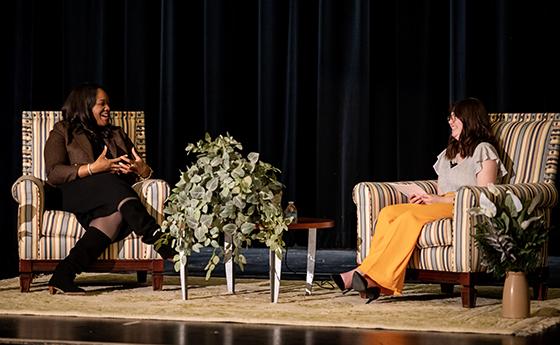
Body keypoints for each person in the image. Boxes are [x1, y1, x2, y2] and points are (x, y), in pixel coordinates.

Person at [332, 97, 508, 303]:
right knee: (388, 212)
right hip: (441, 203)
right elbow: (441, 187)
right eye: (449, 117)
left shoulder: (483, 150)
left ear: (469, 119)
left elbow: (483, 196)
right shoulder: (448, 154)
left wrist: (437, 200)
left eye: (455, 117)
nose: (450, 121)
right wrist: (424, 196)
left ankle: (369, 277)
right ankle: (368, 275)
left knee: (410, 217)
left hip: (463, 208)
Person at [44, 82, 175, 294]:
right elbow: (54, 172)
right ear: (84, 105)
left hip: (112, 198)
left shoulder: (116, 133)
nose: (108, 109)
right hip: (71, 194)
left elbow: (138, 169)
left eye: (108, 104)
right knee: (108, 179)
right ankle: (154, 235)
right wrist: (93, 168)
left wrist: (142, 171)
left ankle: (63, 275)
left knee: (113, 216)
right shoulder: (63, 130)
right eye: (101, 104)